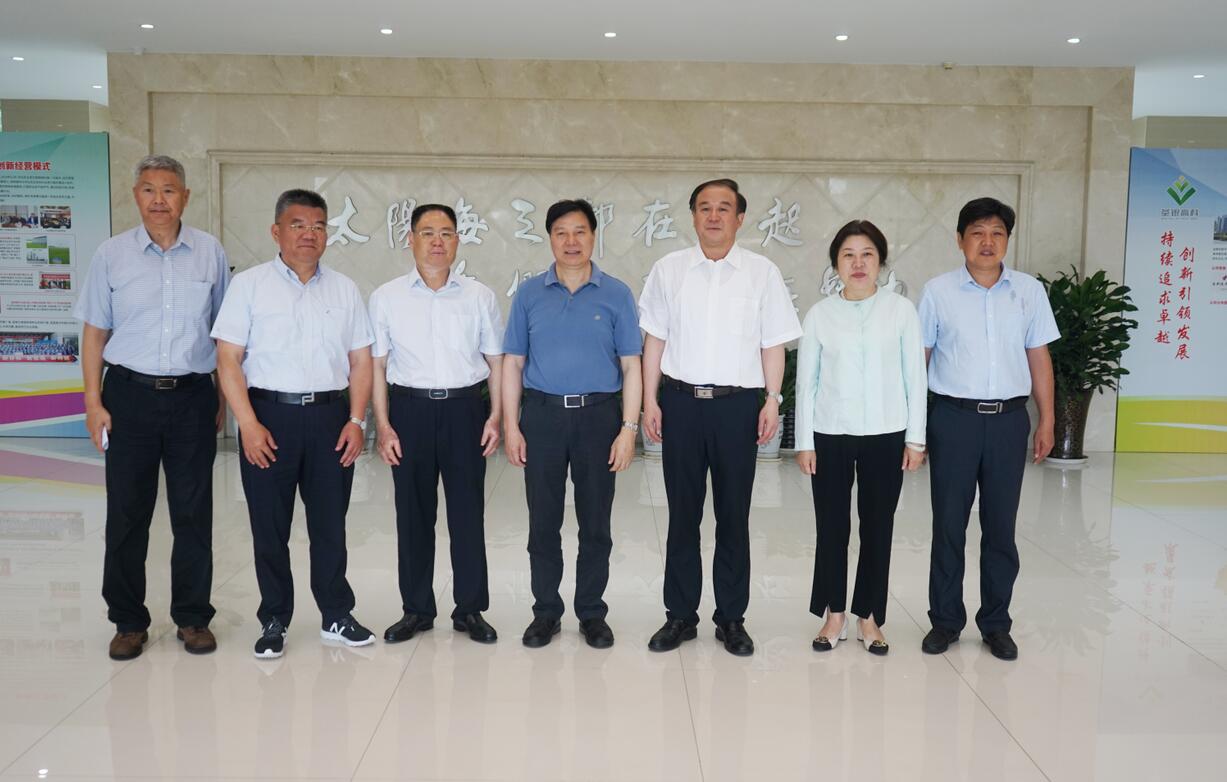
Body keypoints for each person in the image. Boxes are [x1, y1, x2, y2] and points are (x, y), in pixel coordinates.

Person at [74, 154, 229, 660]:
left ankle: (192, 617)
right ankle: (127, 621)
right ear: (135, 195)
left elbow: (226, 336)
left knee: (193, 513)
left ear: (186, 196)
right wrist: (93, 401)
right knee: (126, 513)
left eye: (168, 190)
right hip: (128, 397)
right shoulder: (111, 255)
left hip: (192, 396)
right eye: (148, 189)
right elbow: (94, 333)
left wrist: (222, 398)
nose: (158, 200)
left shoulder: (210, 253)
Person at [639, 178, 803, 657]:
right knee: (682, 515)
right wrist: (650, 400)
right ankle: (679, 615)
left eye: (724, 208)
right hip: (682, 403)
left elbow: (772, 343)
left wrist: (772, 400)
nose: (714, 216)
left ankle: (731, 618)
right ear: (692, 216)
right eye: (705, 207)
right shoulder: (669, 270)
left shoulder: (762, 273)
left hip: (737, 407)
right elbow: (655, 341)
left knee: (733, 516)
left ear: (740, 218)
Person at [212, 188, 376, 659]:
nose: (309, 234)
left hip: (329, 418)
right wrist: (247, 423)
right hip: (269, 417)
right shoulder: (250, 286)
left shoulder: (344, 289)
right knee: (270, 527)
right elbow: (228, 359)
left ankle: (336, 615)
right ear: (276, 231)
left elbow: (360, 361)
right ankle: (274, 619)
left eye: (319, 226)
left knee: (330, 525)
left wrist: (356, 419)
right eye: (299, 225)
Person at [918, 197, 1059, 661]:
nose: (987, 241)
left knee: (1001, 527)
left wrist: (1047, 419)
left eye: (997, 233)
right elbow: (919, 360)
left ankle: (996, 624)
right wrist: (915, 428)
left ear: (1007, 240)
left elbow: (1039, 357)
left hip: (1008, 421)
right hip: (953, 419)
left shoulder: (1028, 292)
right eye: (977, 232)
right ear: (960, 239)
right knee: (949, 525)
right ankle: (945, 621)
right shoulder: (938, 292)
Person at [502, 199, 642, 650]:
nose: (571, 241)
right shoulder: (529, 294)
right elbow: (512, 363)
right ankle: (545, 612)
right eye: (561, 232)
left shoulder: (616, 294)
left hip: (598, 417)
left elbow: (632, 366)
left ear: (594, 236)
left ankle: (591, 613)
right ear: (550, 239)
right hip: (542, 416)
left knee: (595, 522)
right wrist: (511, 426)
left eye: (580, 231)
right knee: (542, 522)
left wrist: (628, 429)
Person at [369, 203, 504, 645]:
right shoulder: (387, 297)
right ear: (410, 239)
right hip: (409, 412)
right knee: (412, 515)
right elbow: (377, 366)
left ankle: (470, 610)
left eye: (446, 233)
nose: (437, 241)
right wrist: (383, 425)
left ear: (457, 240)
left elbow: (496, 362)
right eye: (427, 232)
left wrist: (496, 416)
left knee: (467, 514)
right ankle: (416, 610)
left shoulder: (478, 296)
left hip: (466, 412)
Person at [794, 220, 927, 656]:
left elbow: (915, 377)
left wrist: (915, 439)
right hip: (830, 433)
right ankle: (834, 613)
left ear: (881, 261)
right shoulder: (820, 315)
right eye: (848, 254)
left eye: (867, 254)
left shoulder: (900, 311)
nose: (858, 263)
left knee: (878, 527)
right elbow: (807, 383)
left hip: (886, 433)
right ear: (835, 263)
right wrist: (805, 441)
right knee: (831, 527)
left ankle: (868, 616)